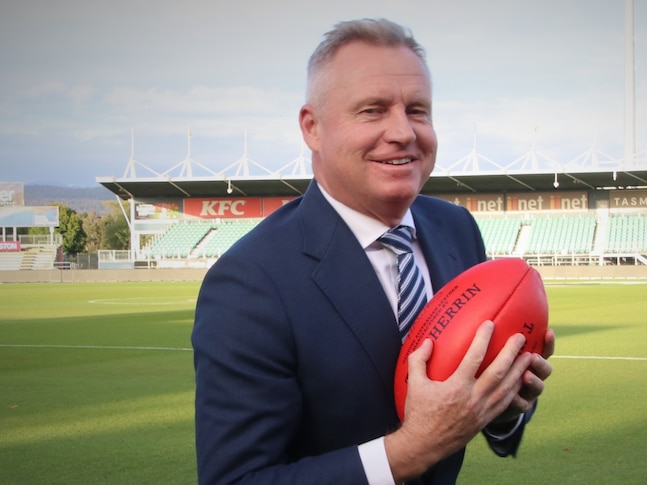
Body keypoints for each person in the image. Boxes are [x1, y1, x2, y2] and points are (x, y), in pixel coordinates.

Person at [192, 18, 554, 484]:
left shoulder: (456, 229)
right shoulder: (249, 282)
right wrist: (412, 449)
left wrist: (502, 407)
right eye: (372, 111)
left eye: (418, 110)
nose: (403, 132)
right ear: (312, 127)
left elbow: (470, 408)